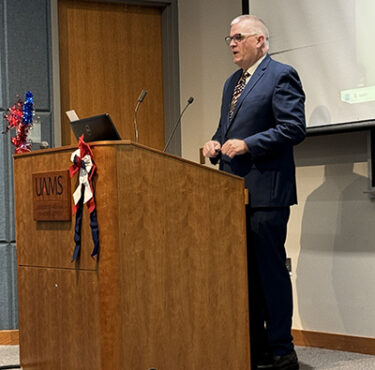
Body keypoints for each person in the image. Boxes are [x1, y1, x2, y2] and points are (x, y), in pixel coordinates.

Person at [203, 15, 305, 370]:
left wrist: (249, 145)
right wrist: (215, 144)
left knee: (270, 273)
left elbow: (293, 128)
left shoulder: (280, 75)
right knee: (244, 275)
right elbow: (225, 129)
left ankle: (281, 349)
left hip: (267, 194)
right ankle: (255, 345)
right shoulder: (232, 81)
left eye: (238, 37)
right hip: (234, 194)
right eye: (229, 38)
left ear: (260, 40)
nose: (231, 43)